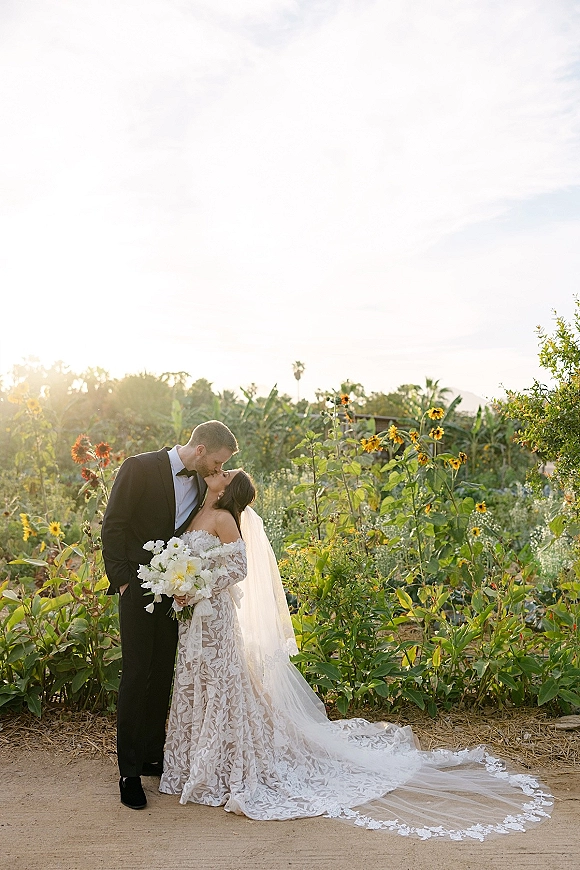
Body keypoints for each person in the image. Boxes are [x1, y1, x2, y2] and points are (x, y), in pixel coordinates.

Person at [158, 470, 553, 840]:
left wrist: (198, 586)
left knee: (224, 681)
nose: (220, 472)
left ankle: (226, 763)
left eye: (226, 474)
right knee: (197, 680)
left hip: (214, 614)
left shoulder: (225, 518)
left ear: (227, 490)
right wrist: (180, 582)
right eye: (222, 469)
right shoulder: (198, 509)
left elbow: (238, 568)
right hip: (194, 619)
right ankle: (196, 761)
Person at [101, 420, 238, 810]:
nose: (217, 470)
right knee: (136, 674)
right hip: (138, 589)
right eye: (216, 461)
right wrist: (125, 583)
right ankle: (128, 772)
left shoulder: (200, 483)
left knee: (163, 673)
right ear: (200, 451)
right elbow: (113, 526)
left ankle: (150, 756)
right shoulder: (138, 467)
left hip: (177, 594)